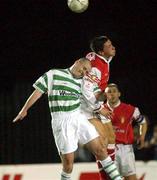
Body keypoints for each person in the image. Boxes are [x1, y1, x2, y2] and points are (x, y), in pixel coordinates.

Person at [13, 58, 122, 180]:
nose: (84, 73)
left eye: (87, 72)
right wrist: (24, 109)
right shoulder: (54, 74)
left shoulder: (84, 81)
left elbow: (98, 96)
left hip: (78, 117)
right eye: (84, 69)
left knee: (101, 150)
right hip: (61, 121)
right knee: (68, 165)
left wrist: (105, 93)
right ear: (77, 62)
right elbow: (38, 92)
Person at [84, 35, 116, 179]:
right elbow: (86, 90)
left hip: (96, 102)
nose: (113, 47)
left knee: (111, 138)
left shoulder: (101, 58)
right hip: (86, 107)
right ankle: (108, 177)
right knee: (102, 144)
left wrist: (103, 99)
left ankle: (108, 175)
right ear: (101, 52)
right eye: (109, 46)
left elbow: (90, 55)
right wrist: (99, 108)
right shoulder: (97, 66)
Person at [103, 83, 147, 180]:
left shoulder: (130, 109)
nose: (112, 94)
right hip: (107, 150)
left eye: (114, 91)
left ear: (119, 94)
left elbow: (143, 122)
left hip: (125, 150)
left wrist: (142, 137)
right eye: (109, 92)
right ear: (105, 95)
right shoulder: (100, 110)